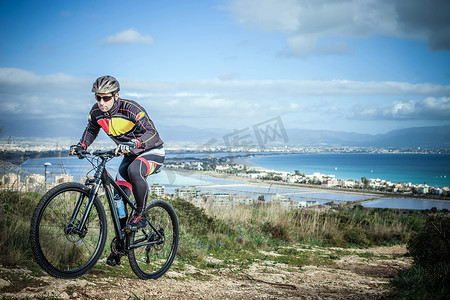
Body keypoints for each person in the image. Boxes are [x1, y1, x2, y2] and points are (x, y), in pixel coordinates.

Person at [70, 75, 164, 266]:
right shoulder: (96, 112)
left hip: (151, 150)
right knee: (118, 199)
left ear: (116, 95)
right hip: (129, 155)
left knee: (135, 171)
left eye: (106, 98)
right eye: (98, 98)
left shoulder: (130, 108)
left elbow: (152, 134)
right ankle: (121, 246)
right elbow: (91, 130)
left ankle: (141, 214)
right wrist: (82, 145)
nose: (102, 102)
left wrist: (135, 142)